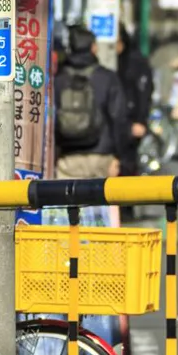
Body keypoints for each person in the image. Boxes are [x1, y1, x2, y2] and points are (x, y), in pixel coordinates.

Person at [53, 25, 128, 181]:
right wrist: (121, 156)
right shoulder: (107, 78)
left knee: (65, 201)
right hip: (102, 155)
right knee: (104, 201)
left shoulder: (58, 80)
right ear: (93, 47)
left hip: (67, 157)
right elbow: (119, 119)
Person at [116, 26, 155, 217]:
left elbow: (144, 92)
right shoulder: (110, 61)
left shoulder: (136, 62)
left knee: (128, 163)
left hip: (131, 120)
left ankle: (126, 206)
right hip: (114, 120)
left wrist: (141, 120)